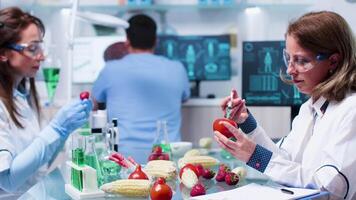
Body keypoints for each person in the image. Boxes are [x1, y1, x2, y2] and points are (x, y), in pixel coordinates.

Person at [214, 11, 356, 199]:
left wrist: (255, 156)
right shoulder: (310, 108)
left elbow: (330, 187)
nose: (290, 70)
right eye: (288, 58)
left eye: (301, 60)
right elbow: (283, 159)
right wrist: (246, 123)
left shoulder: (350, 110)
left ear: (333, 61)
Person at [0, 7, 92, 197]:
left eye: (40, 47)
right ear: (3, 53)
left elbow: (38, 167)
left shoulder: (21, 96)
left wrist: (64, 132)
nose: (41, 56)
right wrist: (57, 129)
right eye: (32, 48)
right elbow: (7, 181)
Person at [92, 14, 190, 159]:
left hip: (123, 159)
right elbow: (184, 97)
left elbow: (94, 104)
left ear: (127, 41)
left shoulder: (110, 69)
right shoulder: (177, 68)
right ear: (155, 41)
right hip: (167, 157)